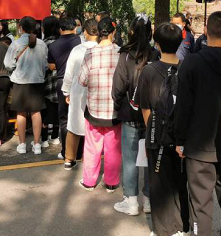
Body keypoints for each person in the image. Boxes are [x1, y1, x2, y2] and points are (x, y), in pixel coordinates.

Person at [175, 11, 221, 236]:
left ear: (206, 29)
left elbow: (183, 104)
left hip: (197, 144)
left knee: (200, 205)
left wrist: (179, 139)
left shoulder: (192, 62)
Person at [138, 23, 189, 236]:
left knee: (159, 184)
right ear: (180, 42)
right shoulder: (187, 68)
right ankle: (184, 229)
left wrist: (153, 131)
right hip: (183, 136)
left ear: (156, 44)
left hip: (157, 135)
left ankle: (165, 232)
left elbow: (145, 107)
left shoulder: (149, 71)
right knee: (181, 182)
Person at [112, 15, 157, 216]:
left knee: (130, 159)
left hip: (129, 113)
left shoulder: (126, 55)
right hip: (151, 115)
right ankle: (148, 200)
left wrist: (117, 104)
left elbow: (118, 87)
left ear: (131, 31)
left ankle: (130, 201)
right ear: (150, 33)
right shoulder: (155, 55)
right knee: (148, 158)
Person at [78, 18, 122, 192]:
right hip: (114, 110)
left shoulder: (90, 53)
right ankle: (111, 182)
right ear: (113, 32)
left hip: (94, 109)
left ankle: (89, 181)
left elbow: (82, 80)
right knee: (113, 148)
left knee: (92, 147)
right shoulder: (120, 53)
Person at [4, 16, 49, 155]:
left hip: (20, 82)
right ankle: (37, 145)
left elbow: (8, 64)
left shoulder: (15, 44)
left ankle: (22, 144)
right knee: (36, 112)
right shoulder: (42, 44)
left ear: (21, 28)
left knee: (21, 113)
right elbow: (45, 64)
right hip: (37, 82)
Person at [62, 19, 99, 170]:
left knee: (74, 126)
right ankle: (90, 162)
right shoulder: (102, 49)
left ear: (84, 32)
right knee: (94, 129)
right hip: (97, 92)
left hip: (78, 91)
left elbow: (69, 74)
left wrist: (66, 91)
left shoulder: (77, 50)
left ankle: (69, 159)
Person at [48, 16, 82, 159]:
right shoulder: (81, 42)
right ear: (75, 28)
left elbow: (51, 66)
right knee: (81, 115)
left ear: (60, 29)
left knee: (64, 119)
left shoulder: (53, 45)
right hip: (80, 81)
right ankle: (81, 151)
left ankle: (66, 152)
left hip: (62, 82)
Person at [41, 16, 61, 147]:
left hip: (47, 80)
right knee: (57, 109)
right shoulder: (61, 42)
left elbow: (43, 64)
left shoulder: (44, 44)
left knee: (45, 110)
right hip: (59, 79)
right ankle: (55, 136)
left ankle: (44, 139)